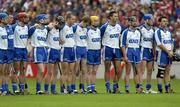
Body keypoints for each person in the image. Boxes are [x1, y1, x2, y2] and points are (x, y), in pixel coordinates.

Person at [101, 10, 122, 93]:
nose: (116, 18)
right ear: (110, 17)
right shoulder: (104, 27)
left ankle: (115, 86)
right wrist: (101, 47)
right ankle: (107, 87)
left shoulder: (119, 27)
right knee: (107, 69)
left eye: (117, 16)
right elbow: (99, 37)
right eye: (115, 16)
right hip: (107, 48)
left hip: (116, 49)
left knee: (118, 70)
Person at [44, 16, 65, 94]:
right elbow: (44, 30)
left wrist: (60, 41)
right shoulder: (50, 27)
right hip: (51, 50)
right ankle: (46, 90)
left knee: (56, 72)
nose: (61, 25)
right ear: (56, 21)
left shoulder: (58, 29)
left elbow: (57, 39)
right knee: (49, 72)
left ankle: (53, 90)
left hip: (58, 50)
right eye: (60, 23)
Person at [121, 16, 142, 93]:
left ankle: (138, 88)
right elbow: (122, 45)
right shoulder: (125, 32)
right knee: (128, 71)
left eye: (136, 21)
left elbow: (139, 44)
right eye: (134, 21)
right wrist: (125, 56)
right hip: (129, 51)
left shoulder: (138, 32)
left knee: (136, 71)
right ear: (129, 22)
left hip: (136, 51)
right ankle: (127, 88)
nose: (136, 23)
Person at [28, 14, 48, 94]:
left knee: (41, 72)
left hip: (44, 50)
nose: (47, 20)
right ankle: (38, 88)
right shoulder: (34, 28)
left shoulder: (46, 29)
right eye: (45, 19)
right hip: (37, 49)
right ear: (41, 20)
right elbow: (28, 34)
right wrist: (33, 27)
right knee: (42, 70)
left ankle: (38, 89)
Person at [155, 16, 174, 93]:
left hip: (169, 52)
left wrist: (171, 51)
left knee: (168, 70)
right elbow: (159, 44)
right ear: (159, 22)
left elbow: (171, 42)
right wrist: (168, 52)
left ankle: (167, 88)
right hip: (161, 52)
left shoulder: (168, 32)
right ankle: (160, 89)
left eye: (166, 21)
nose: (165, 22)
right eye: (163, 21)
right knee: (161, 71)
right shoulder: (158, 32)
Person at [12, 12, 29, 94]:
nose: (27, 19)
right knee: (16, 70)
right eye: (25, 17)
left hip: (24, 50)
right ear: (21, 18)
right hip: (17, 49)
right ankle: (15, 88)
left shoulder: (26, 27)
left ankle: (22, 89)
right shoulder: (14, 27)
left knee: (23, 70)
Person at [139, 14, 157, 93]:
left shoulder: (153, 29)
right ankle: (140, 88)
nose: (153, 21)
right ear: (146, 20)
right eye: (151, 19)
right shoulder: (140, 29)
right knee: (142, 70)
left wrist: (154, 52)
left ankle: (148, 88)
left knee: (149, 70)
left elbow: (154, 43)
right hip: (143, 50)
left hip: (150, 51)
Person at [60, 12, 76, 94]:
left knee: (71, 71)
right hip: (65, 49)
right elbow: (57, 36)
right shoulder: (63, 27)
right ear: (68, 19)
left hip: (72, 49)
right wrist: (59, 41)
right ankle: (63, 89)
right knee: (64, 71)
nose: (74, 21)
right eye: (72, 19)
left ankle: (69, 88)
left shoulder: (72, 28)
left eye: (74, 19)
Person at [73, 15, 90, 93]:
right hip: (77, 49)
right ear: (84, 22)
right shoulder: (75, 27)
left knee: (83, 70)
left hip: (84, 49)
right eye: (86, 24)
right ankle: (73, 87)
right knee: (75, 70)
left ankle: (82, 87)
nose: (87, 25)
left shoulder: (86, 29)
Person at [86, 16, 101, 93]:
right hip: (90, 51)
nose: (97, 22)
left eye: (97, 21)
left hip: (97, 51)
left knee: (95, 71)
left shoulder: (98, 30)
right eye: (95, 21)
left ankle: (93, 87)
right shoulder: (87, 30)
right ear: (91, 22)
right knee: (89, 71)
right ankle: (88, 88)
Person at [0, 12, 9, 95]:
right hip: (0, 51)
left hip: (5, 51)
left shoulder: (5, 28)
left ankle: (3, 89)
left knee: (4, 71)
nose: (7, 20)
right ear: (1, 20)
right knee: (0, 71)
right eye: (6, 18)